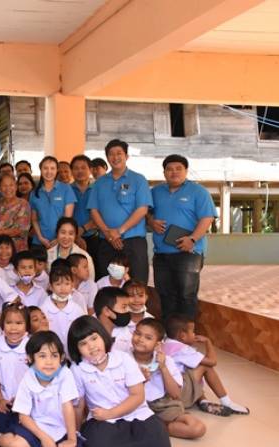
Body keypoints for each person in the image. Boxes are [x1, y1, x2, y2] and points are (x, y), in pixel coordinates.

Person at [68, 316, 170, 447]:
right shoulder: (77, 369)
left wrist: (110, 413)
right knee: (94, 442)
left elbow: (138, 396)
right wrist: (75, 435)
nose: (91, 346)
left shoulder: (123, 358)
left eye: (94, 338)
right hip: (102, 421)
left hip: (137, 414)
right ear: (76, 349)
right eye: (83, 343)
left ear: (103, 336)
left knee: (158, 436)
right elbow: (78, 406)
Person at [149, 154, 217, 321]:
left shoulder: (198, 191)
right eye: (169, 169)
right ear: (164, 173)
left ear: (186, 171)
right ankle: (169, 331)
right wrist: (151, 221)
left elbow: (207, 218)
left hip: (188, 252)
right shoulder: (155, 192)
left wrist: (192, 239)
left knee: (186, 295)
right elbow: (145, 212)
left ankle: (186, 332)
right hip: (161, 254)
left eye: (178, 168)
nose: (174, 172)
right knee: (165, 295)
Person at [88, 139, 153, 284]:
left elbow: (142, 209)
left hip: (133, 242)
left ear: (126, 156)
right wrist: (108, 234)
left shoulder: (138, 180)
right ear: (107, 158)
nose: (115, 157)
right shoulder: (99, 183)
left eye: (119, 153)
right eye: (111, 154)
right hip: (107, 241)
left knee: (136, 284)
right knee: (106, 285)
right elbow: (94, 210)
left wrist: (119, 231)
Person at [131, 318, 206, 439]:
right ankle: (149, 425)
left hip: (162, 404)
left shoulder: (167, 361)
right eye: (137, 334)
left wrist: (163, 367)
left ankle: (158, 426)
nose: (140, 339)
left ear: (157, 344)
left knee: (197, 428)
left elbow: (176, 395)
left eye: (148, 338)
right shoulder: (122, 359)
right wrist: (139, 380)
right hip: (134, 405)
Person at [163, 314, 249, 415]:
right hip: (177, 394)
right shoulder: (183, 349)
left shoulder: (165, 344)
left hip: (165, 393)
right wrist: (208, 342)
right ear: (183, 336)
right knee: (205, 367)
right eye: (193, 331)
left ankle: (202, 401)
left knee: (191, 369)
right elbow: (212, 361)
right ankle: (227, 402)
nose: (194, 334)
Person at [11, 331, 80, 447]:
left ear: (62, 357)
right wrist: (44, 438)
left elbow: (67, 407)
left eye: (54, 356)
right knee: (16, 444)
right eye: (42, 356)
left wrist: (72, 439)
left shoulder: (65, 374)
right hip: (36, 426)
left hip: (61, 428)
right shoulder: (28, 377)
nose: (49, 362)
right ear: (30, 358)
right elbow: (23, 416)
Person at [0, 304, 31, 444]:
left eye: (19, 323)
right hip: (3, 399)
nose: (13, 328)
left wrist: (22, 399)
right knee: (1, 421)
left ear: (27, 326)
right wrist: (0, 399)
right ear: (2, 325)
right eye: (9, 322)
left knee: (25, 425)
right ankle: (5, 439)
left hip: (26, 401)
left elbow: (36, 377)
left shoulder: (31, 346)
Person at [29, 156, 76, 249]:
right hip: (39, 242)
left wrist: (58, 239)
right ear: (40, 169)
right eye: (45, 168)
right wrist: (40, 237)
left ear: (57, 170)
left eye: (52, 168)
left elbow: (67, 219)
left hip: (61, 242)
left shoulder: (66, 189)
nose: (49, 172)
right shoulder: (34, 192)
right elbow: (34, 219)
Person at [40, 266, 85, 358]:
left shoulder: (77, 310)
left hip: (73, 355)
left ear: (72, 285)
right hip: (51, 355)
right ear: (51, 286)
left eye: (67, 284)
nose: (63, 288)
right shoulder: (43, 309)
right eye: (58, 284)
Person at [0, 174, 31, 252]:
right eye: (4, 185)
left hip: (16, 250)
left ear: (16, 186)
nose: (8, 188)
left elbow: (19, 230)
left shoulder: (23, 204)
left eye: (11, 185)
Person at [70, 155, 99, 270]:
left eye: (83, 167)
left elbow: (102, 215)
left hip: (94, 237)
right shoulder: (66, 190)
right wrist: (75, 235)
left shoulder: (98, 189)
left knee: (93, 270)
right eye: (76, 168)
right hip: (70, 239)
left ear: (90, 170)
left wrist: (83, 229)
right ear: (72, 171)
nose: (80, 171)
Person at [46, 217, 95, 281]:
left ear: (75, 236)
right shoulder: (48, 254)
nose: (66, 237)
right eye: (63, 232)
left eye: (71, 233)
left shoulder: (85, 256)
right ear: (57, 233)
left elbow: (91, 280)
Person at [93, 287, 134, 354]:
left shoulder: (127, 331)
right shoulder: (87, 331)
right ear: (107, 311)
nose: (128, 310)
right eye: (124, 307)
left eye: (128, 307)